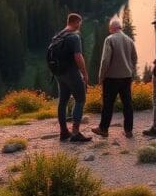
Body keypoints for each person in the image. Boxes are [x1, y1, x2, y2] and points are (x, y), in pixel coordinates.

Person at [91, 17, 138, 138]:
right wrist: (131, 71)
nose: (109, 31)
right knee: (127, 103)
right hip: (126, 77)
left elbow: (105, 60)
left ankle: (103, 129)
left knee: (108, 104)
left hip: (112, 78)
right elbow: (134, 58)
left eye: (109, 29)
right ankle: (128, 130)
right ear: (120, 28)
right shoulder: (129, 40)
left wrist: (101, 77)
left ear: (112, 28)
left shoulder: (110, 39)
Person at [52, 13, 91, 142]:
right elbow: (78, 57)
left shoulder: (58, 36)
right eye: (79, 23)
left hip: (59, 73)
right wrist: (85, 74)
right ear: (75, 22)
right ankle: (75, 132)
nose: (80, 26)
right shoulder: (73, 37)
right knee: (80, 99)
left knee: (63, 101)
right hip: (71, 72)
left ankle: (64, 132)